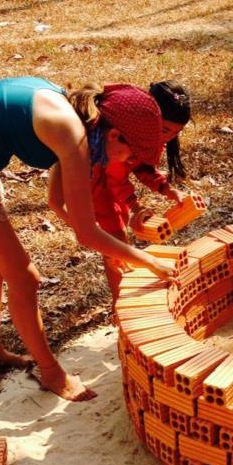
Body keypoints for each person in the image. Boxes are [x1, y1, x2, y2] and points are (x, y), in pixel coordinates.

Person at [0, 77, 174, 402]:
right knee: (25, 278)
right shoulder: (71, 134)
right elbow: (86, 232)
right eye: (130, 155)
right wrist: (148, 260)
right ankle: (51, 373)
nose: (127, 163)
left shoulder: (83, 122)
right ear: (115, 134)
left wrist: (109, 246)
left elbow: (56, 203)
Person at [63, 81, 191, 303]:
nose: (168, 138)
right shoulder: (126, 139)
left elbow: (143, 168)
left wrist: (167, 189)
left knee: (118, 244)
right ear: (151, 120)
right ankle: (120, 304)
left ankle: (121, 298)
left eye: (175, 133)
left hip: (111, 190)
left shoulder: (146, 136)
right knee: (117, 245)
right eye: (165, 130)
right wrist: (136, 206)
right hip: (99, 190)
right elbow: (115, 180)